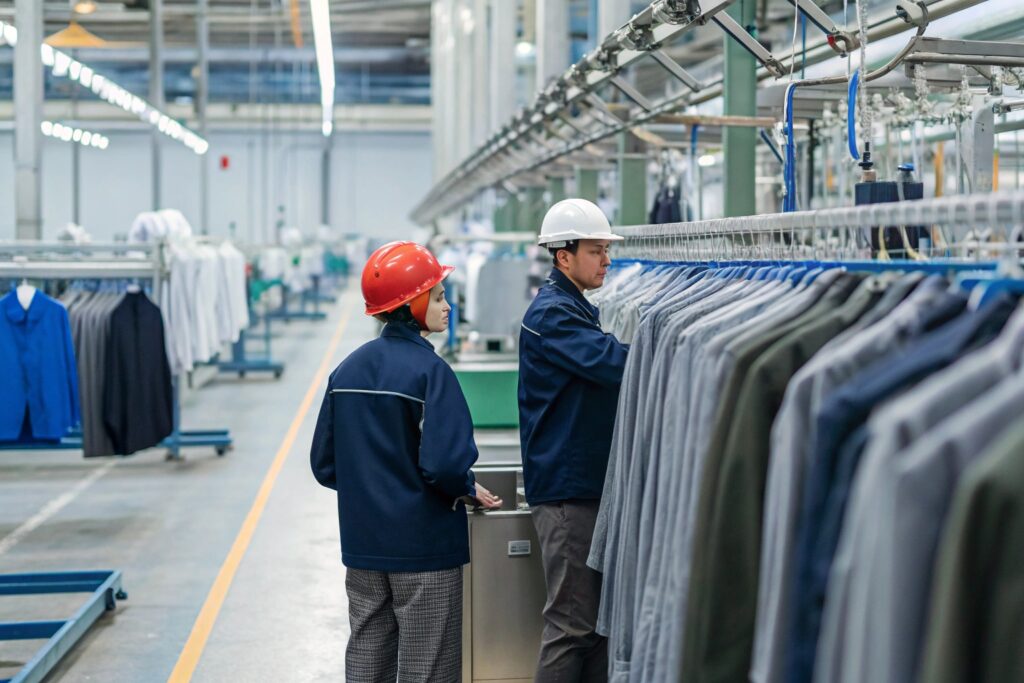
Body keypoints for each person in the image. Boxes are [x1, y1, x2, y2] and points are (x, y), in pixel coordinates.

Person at [311, 241, 502, 683]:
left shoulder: (346, 372)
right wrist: (466, 488)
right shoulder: (431, 373)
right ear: (411, 304)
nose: (447, 306)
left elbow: (324, 464)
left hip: (364, 547)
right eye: (437, 297)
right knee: (427, 667)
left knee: (367, 655)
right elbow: (445, 466)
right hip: (424, 549)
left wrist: (372, 492)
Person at [518, 199, 630, 682]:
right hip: (567, 495)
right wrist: (672, 347)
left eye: (606, 250)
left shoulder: (573, 308)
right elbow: (614, 364)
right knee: (572, 625)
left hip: (583, 488)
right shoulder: (554, 316)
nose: (607, 260)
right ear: (563, 256)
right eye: (596, 250)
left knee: (594, 627)